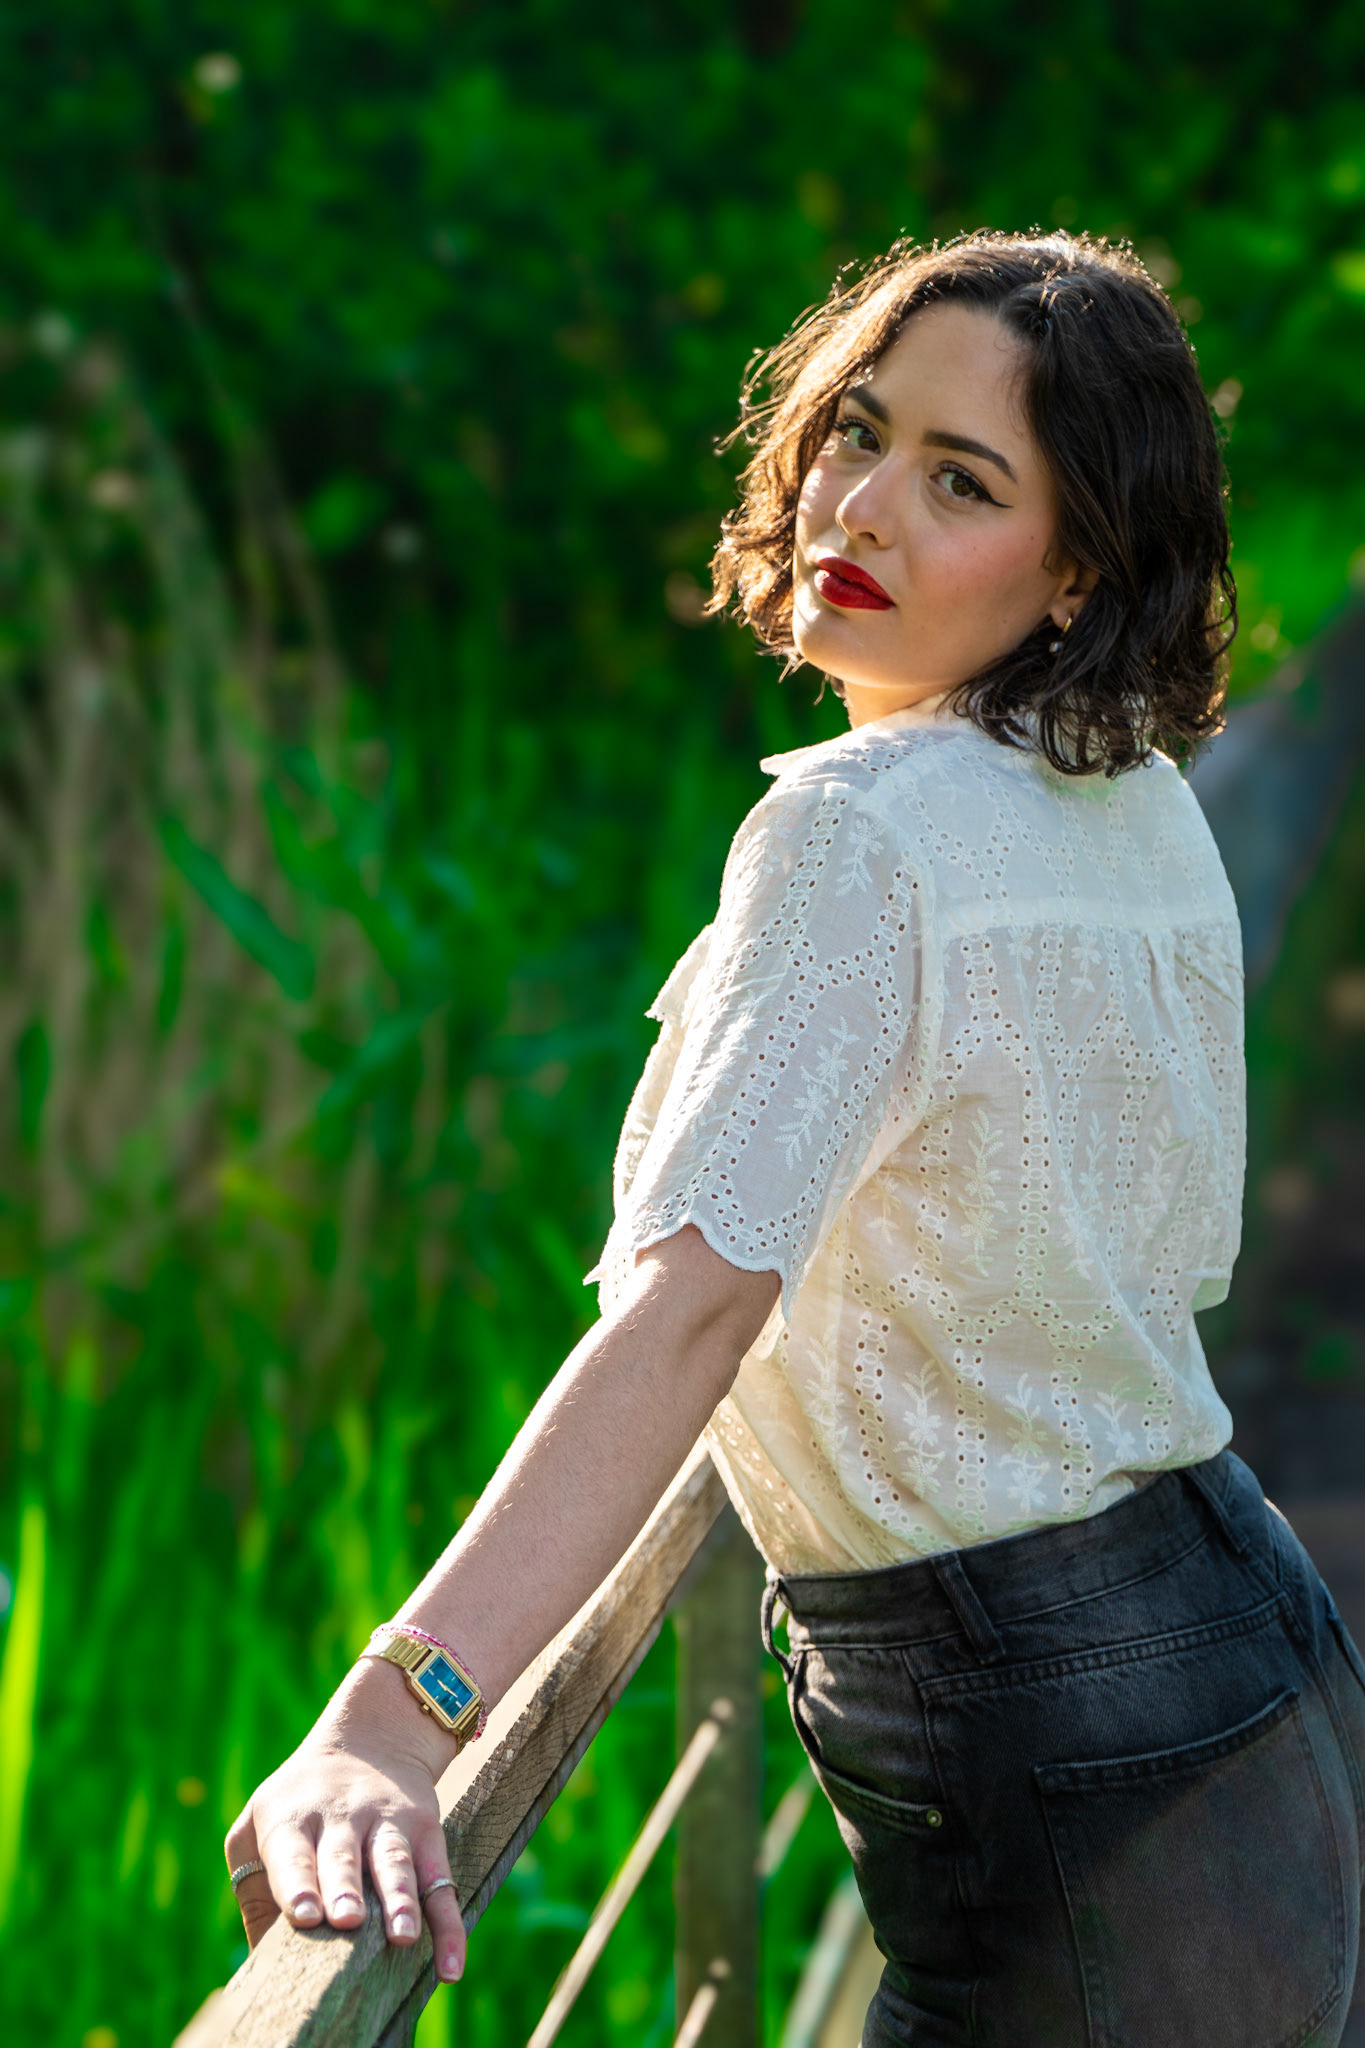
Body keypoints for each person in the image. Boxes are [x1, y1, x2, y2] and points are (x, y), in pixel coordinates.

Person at [227, 230, 1365, 2045]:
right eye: (859, 429)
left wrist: (391, 1718)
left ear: (1076, 567)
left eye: (962, 481)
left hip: (1062, 1779)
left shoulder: (859, 832)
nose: (864, 506)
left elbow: (690, 1313)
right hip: (1249, 1666)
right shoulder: (1129, 799)